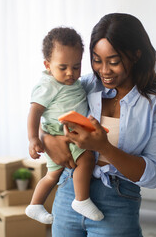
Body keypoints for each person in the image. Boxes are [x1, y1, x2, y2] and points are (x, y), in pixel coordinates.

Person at [41, 13, 156, 236]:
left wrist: (104, 147)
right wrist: (47, 139)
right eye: (97, 60)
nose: (103, 70)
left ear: (136, 55)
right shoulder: (83, 86)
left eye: (113, 62)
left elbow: (154, 175)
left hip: (118, 201)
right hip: (69, 192)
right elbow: (46, 115)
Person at [25, 27, 104, 225]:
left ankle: (35, 205)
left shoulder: (76, 82)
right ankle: (81, 199)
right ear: (47, 65)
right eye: (63, 68)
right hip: (60, 132)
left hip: (68, 131)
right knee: (86, 159)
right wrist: (34, 138)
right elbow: (34, 112)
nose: (70, 73)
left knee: (52, 175)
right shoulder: (48, 85)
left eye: (76, 66)